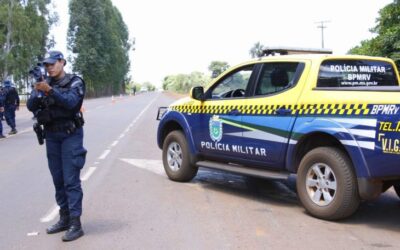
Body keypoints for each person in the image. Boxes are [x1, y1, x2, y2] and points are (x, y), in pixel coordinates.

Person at [27, 51, 87, 242]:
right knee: (58, 179)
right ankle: (64, 218)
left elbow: (72, 104)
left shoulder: (75, 82)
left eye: (53, 63)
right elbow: (30, 105)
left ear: (62, 62)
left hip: (70, 135)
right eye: (47, 65)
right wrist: (38, 89)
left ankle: (76, 224)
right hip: (52, 135)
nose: (49, 67)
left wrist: (49, 90)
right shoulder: (45, 82)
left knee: (71, 180)